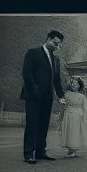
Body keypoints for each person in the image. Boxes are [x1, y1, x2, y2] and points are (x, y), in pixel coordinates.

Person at [20, 29, 66, 164]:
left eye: (58, 44)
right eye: (54, 42)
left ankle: (40, 152)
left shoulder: (56, 59)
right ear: (48, 39)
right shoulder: (33, 52)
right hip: (33, 96)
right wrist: (36, 91)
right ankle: (29, 153)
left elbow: (56, 80)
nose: (56, 46)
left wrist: (61, 96)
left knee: (43, 125)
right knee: (32, 125)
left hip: (47, 97)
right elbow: (26, 74)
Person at [60, 76, 87, 157]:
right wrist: (62, 103)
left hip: (78, 115)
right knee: (69, 131)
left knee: (75, 132)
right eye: (73, 83)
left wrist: (84, 116)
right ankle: (70, 150)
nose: (74, 85)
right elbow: (62, 103)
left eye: (76, 84)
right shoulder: (67, 94)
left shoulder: (82, 96)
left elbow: (85, 108)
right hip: (68, 114)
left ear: (79, 85)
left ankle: (74, 150)